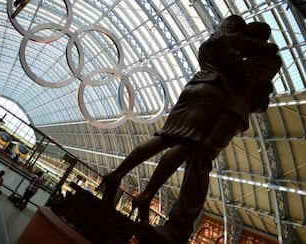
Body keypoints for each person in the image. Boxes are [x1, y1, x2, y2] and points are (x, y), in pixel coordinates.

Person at [97, 15, 282, 242]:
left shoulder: (267, 58)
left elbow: (250, 83)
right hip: (217, 102)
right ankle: (165, 216)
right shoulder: (232, 49)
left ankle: (178, 227)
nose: (245, 42)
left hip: (232, 111)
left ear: (258, 39)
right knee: (190, 149)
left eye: (250, 38)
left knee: (200, 154)